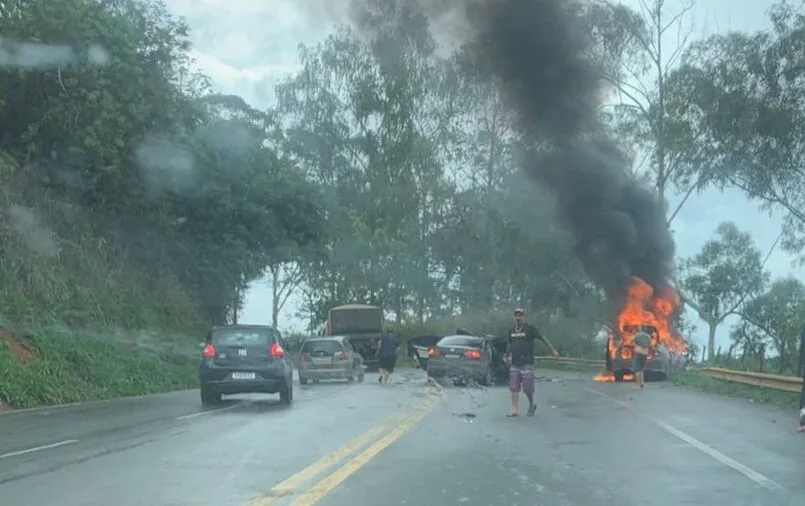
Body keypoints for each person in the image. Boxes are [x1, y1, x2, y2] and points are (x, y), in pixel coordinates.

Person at [505, 306, 559, 417]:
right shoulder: (511, 331)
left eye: (520, 315)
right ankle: (514, 409)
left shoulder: (530, 329)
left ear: (524, 317)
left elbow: (542, 337)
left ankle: (531, 404)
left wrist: (552, 350)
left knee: (528, 387)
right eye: (516, 315)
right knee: (514, 386)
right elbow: (510, 345)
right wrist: (507, 355)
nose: (518, 317)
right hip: (515, 362)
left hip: (527, 362)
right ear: (514, 317)